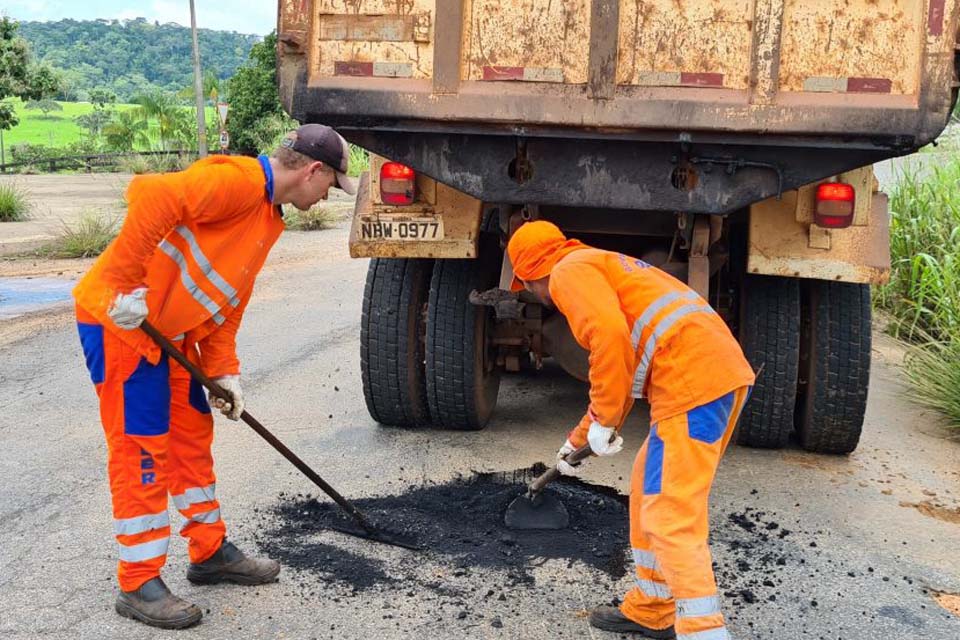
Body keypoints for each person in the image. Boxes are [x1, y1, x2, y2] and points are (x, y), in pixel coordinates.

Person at [73, 124, 358, 629]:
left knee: (191, 440)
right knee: (143, 449)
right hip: (124, 327)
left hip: (174, 336)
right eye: (331, 185)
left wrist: (223, 372)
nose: (327, 196)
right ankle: (139, 580)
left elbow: (226, 303)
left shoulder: (268, 220)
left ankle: (208, 552)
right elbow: (152, 192)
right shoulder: (240, 183)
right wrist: (122, 285)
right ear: (312, 171)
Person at [507, 221, 756, 640]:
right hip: (703, 380)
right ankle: (653, 607)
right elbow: (619, 365)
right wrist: (578, 440)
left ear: (534, 273)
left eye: (529, 286)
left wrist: (604, 420)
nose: (534, 294)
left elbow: (609, 338)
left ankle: (704, 630)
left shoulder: (568, 271)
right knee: (647, 490)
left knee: (671, 512)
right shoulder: (596, 263)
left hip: (695, 384)